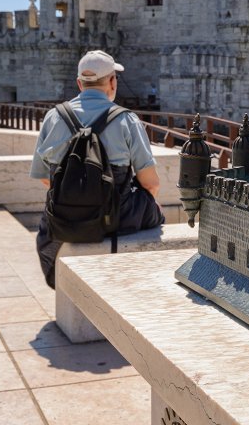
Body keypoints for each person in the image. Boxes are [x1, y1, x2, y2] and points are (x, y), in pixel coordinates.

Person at [31, 50, 165, 287]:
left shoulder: (53, 117)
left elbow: (44, 179)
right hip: (118, 219)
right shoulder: (127, 120)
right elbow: (150, 183)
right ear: (112, 82)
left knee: (46, 219)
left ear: (79, 84)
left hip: (63, 219)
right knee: (156, 211)